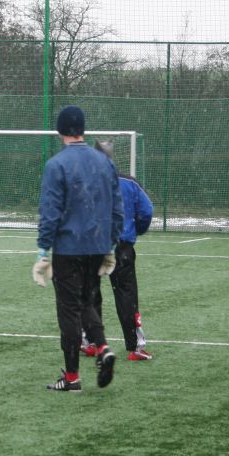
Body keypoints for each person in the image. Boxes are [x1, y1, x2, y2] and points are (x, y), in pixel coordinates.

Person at [34, 105, 123, 392]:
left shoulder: (56, 165)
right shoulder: (105, 162)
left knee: (69, 310)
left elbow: (50, 210)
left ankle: (71, 377)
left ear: (60, 130)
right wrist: (110, 244)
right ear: (82, 130)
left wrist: (43, 250)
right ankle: (103, 347)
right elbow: (116, 206)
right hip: (97, 244)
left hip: (69, 247)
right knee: (87, 302)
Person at [81, 140, 155, 361]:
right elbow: (147, 211)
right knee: (126, 296)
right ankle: (135, 348)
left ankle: (92, 342)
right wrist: (136, 231)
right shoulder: (128, 182)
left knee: (91, 295)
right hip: (121, 247)